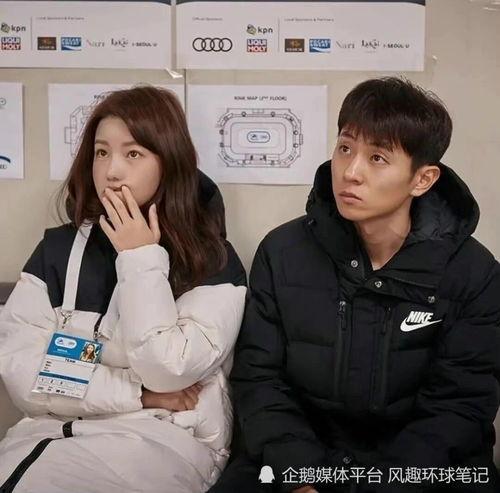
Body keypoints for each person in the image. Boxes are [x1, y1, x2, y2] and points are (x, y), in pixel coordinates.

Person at [210, 77, 500, 493]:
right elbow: (260, 379)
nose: (350, 172)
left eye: (377, 157)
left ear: (422, 179)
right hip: (302, 459)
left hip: (425, 470)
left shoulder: (473, 272)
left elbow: (460, 405)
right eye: (345, 148)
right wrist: (302, 477)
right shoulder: (283, 252)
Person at [0, 86, 247, 493]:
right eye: (101, 153)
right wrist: (139, 393)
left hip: (162, 441)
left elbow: (167, 369)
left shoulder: (213, 260)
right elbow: (24, 374)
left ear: (169, 161)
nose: (112, 171)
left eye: (133, 154)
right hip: (42, 436)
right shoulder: (58, 250)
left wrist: (140, 258)